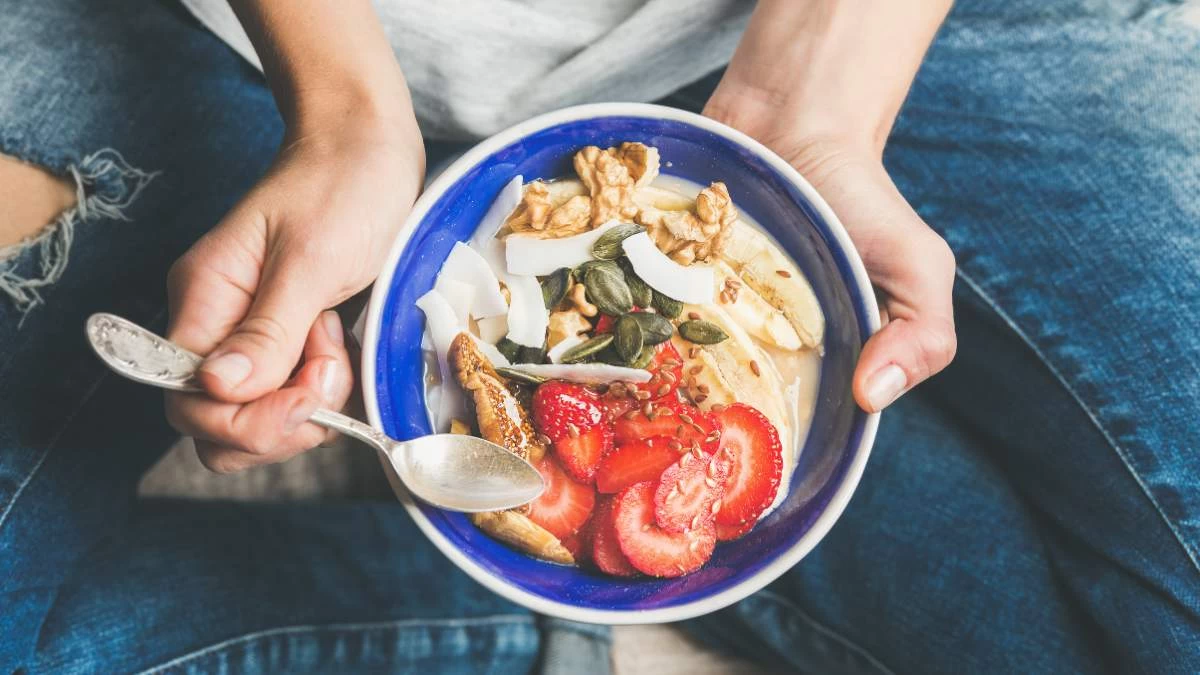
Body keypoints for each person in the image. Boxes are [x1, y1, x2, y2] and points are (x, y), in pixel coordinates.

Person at [1, 0, 1197, 672]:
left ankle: (729, 534)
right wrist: (345, 109)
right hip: (232, 40)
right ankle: (566, 627)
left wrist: (816, 90)